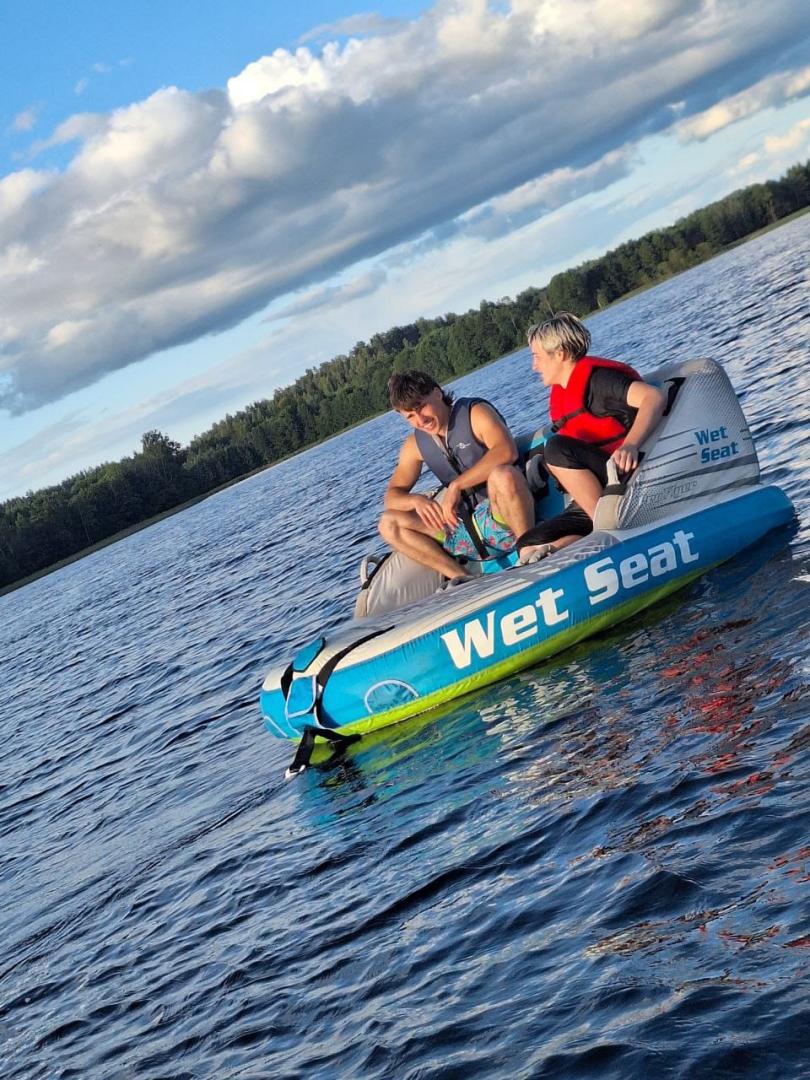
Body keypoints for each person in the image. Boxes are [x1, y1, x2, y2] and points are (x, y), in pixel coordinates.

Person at [517, 312, 666, 563]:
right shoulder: (563, 393)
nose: (534, 366)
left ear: (560, 354)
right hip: (596, 491)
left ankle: (611, 532)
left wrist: (631, 444)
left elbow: (654, 397)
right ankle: (557, 551)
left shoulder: (601, 381)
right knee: (526, 544)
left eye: (537, 357)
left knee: (555, 448)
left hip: (625, 478)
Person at [380, 370, 535, 582]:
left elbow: (507, 451)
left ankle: (528, 551)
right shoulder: (414, 446)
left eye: (421, 407)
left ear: (437, 393)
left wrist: (456, 486)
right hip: (461, 534)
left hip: (502, 519)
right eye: (410, 416)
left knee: (503, 475)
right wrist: (415, 501)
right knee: (388, 523)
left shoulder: (475, 413)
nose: (421, 420)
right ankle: (463, 579)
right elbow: (391, 497)